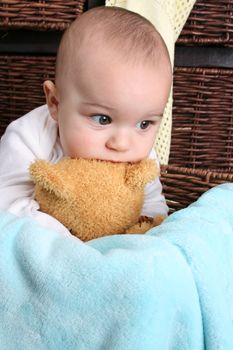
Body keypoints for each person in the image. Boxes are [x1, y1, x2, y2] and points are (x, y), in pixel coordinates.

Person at [0, 6, 172, 236]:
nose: (121, 144)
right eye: (103, 119)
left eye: (144, 124)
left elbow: (152, 205)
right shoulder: (27, 136)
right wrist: (65, 234)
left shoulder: (141, 157)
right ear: (55, 103)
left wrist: (145, 230)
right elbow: (7, 208)